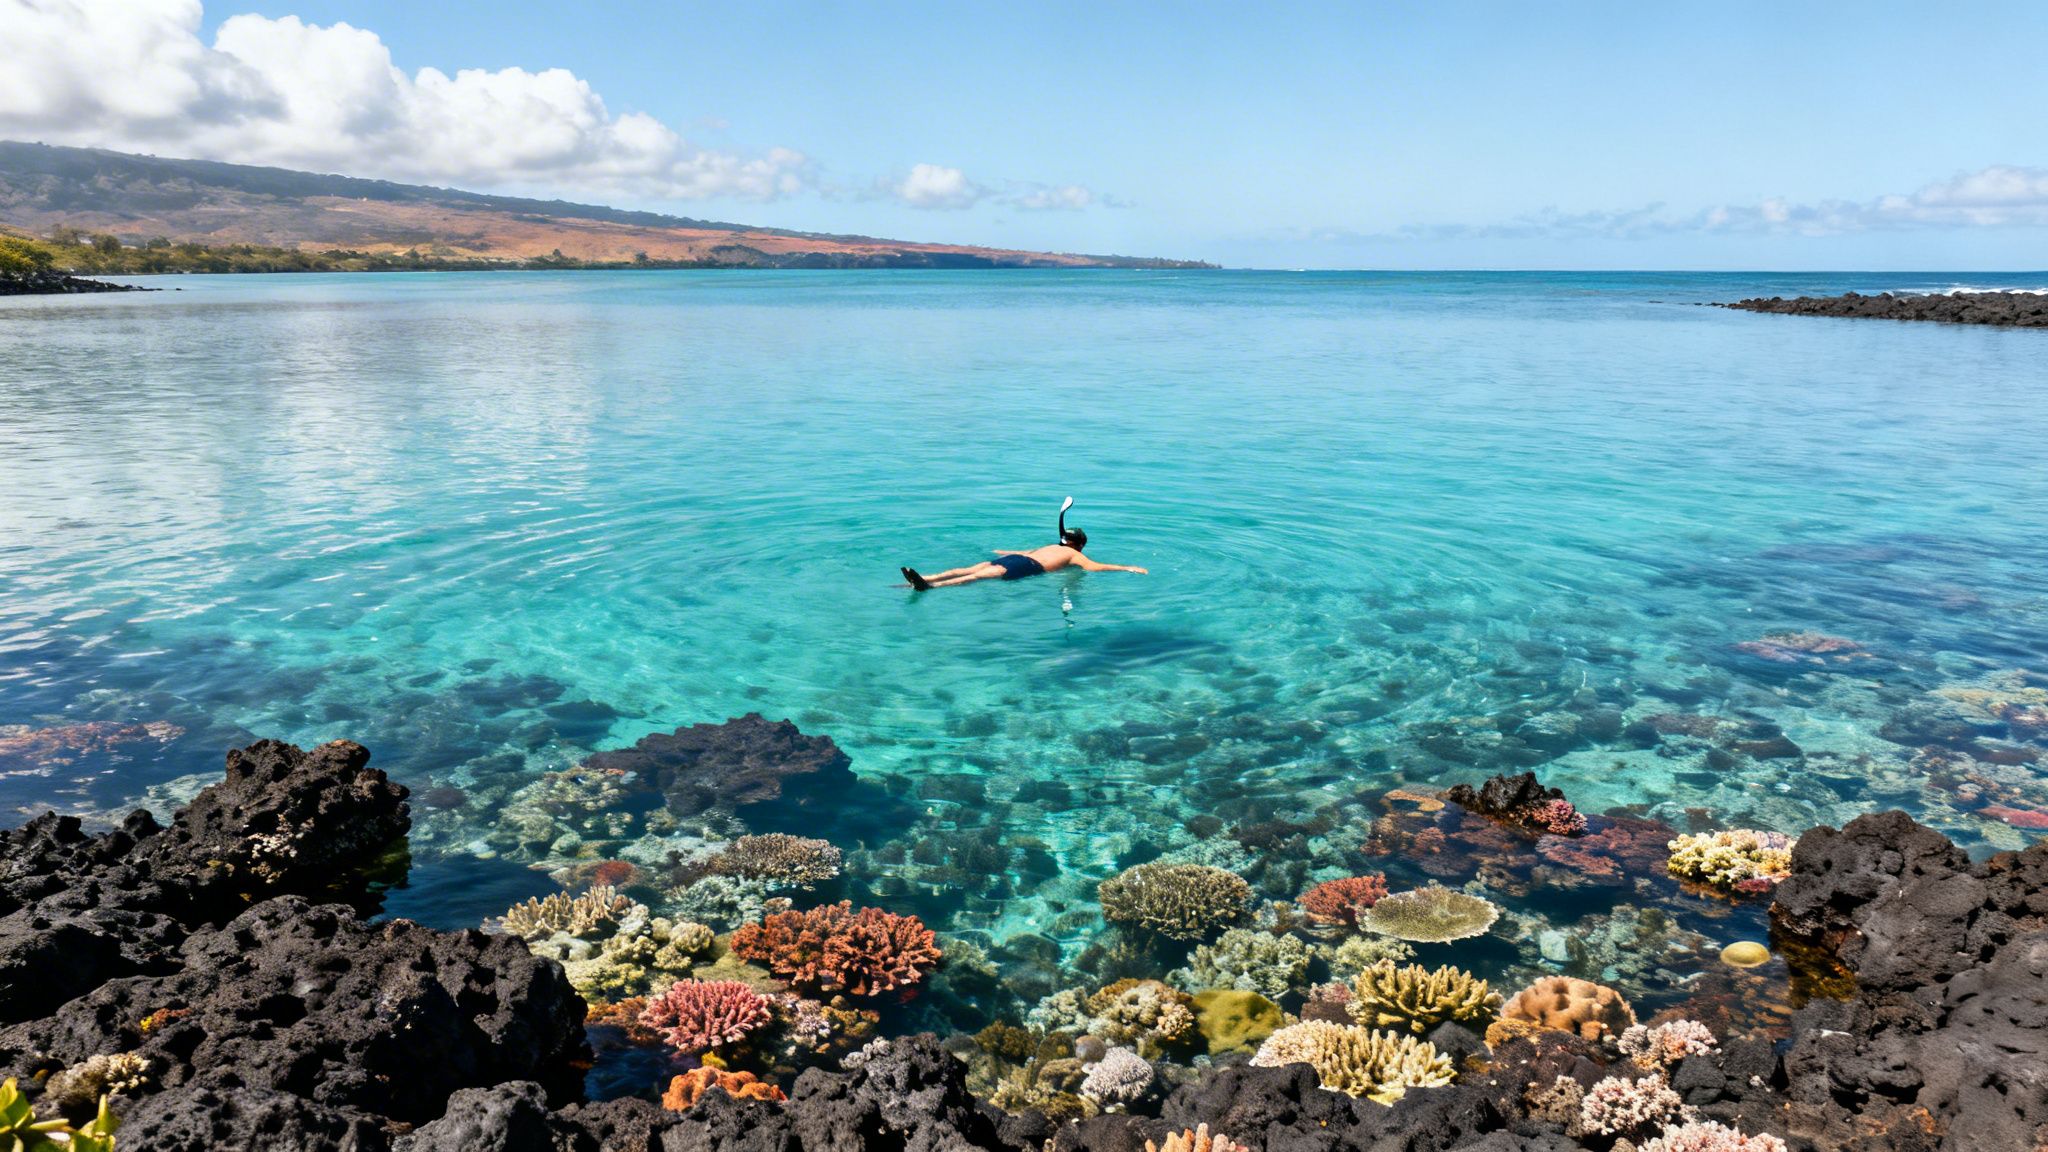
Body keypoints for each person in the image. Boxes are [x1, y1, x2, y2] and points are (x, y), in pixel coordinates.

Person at [901, 524, 1147, 589]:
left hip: (1015, 558)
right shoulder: (1074, 556)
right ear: (1080, 544)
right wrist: (1127, 568)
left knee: (971, 568)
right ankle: (932, 587)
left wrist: (1003, 552)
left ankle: (929, 577)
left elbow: (1022, 551)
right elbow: (1096, 567)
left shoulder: (1051, 545)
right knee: (978, 577)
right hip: (1028, 565)